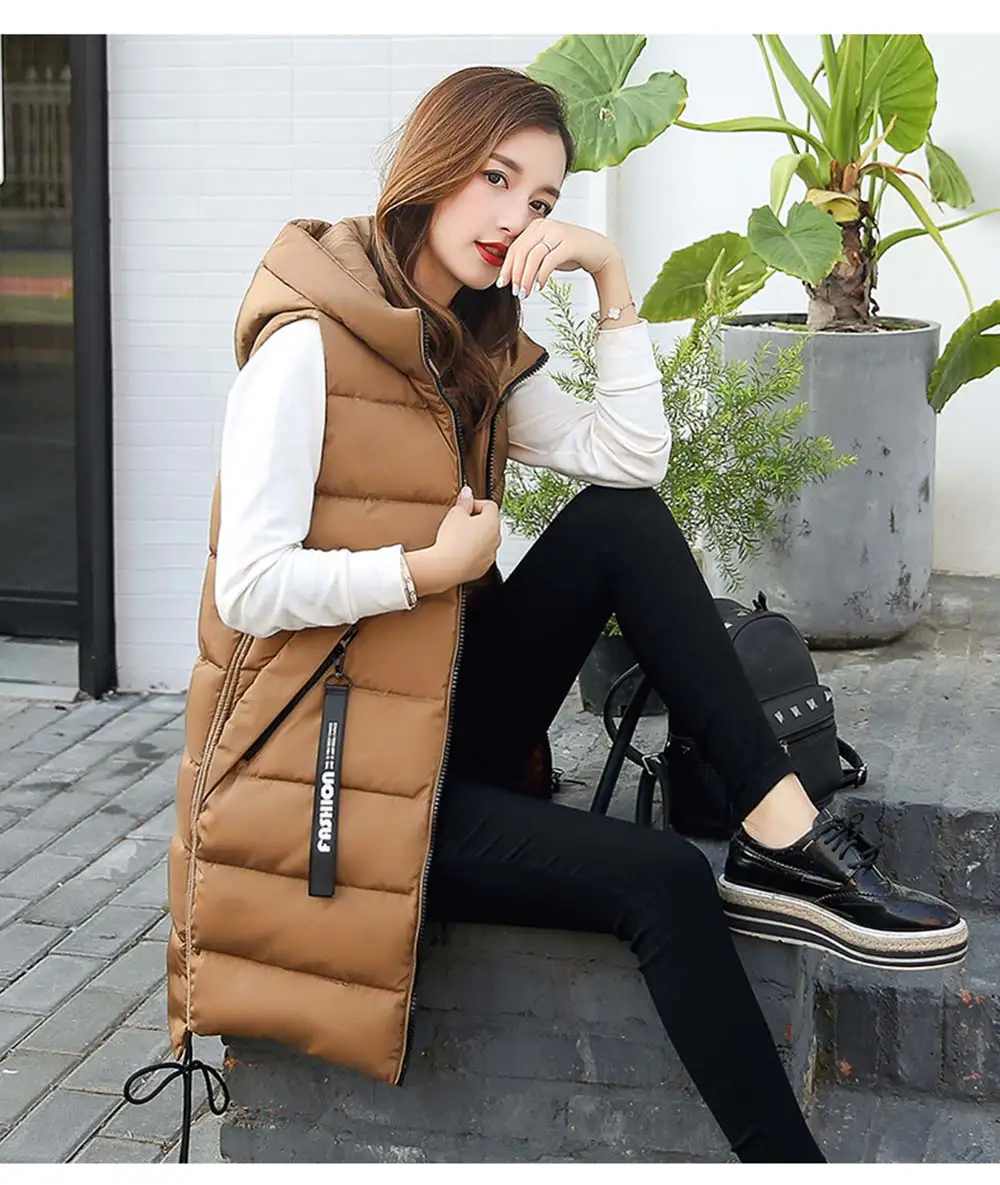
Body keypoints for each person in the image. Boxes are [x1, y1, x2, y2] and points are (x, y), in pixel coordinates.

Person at [128, 65, 968, 1164]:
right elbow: (248, 586)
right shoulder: (305, 346)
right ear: (432, 162)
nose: (514, 216)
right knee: (665, 878)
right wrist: (426, 569)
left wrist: (610, 276)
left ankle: (780, 832)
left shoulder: (468, 344)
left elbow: (630, 458)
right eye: (495, 177)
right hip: (335, 788)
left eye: (539, 199)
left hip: (436, 723)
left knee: (621, 522)